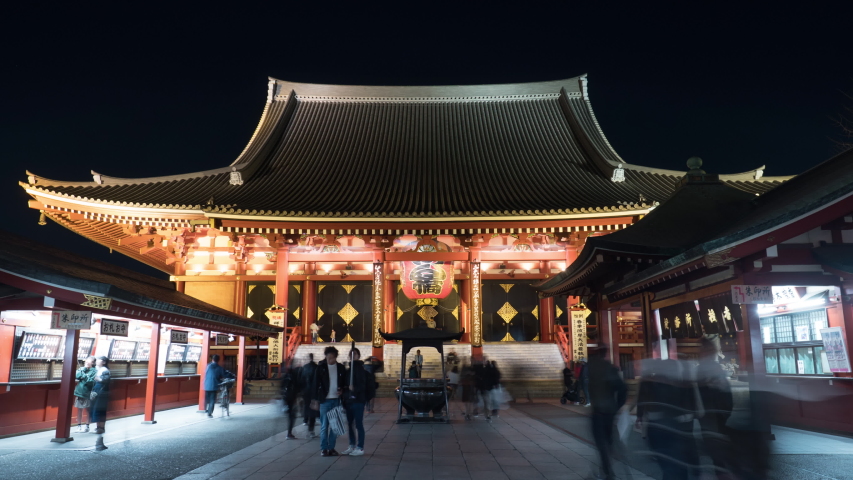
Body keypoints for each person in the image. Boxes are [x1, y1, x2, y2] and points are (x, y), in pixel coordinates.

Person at [587, 347, 627, 480]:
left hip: (599, 411)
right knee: (607, 442)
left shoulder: (593, 369)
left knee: (601, 443)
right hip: (608, 411)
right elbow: (622, 389)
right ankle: (606, 470)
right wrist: (616, 407)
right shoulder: (609, 369)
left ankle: (607, 471)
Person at [311, 346, 348, 457]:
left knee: (334, 425)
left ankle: (331, 447)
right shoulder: (321, 368)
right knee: (324, 426)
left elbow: (344, 383)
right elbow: (315, 384)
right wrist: (315, 400)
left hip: (336, 400)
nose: (329, 360)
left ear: (336, 357)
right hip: (324, 400)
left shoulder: (341, 368)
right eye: (328, 357)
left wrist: (342, 390)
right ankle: (324, 448)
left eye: (332, 358)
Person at [342, 347, 374, 456]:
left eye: (354, 353)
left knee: (358, 424)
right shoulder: (347, 371)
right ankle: (351, 445)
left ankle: (360, 447)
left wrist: (354, 388)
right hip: (348, 400)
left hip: (358, 400)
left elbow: (363, 386)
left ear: (358, 355)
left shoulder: (361, 370)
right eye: (351, 353)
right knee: (350, 424)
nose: (352, 355)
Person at [89, 356, 111, 451]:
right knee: (97, 410)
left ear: (104, 362)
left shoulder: (105, 370)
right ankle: (99, 428)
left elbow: (105, 380)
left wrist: (98, 378)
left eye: (99, 360)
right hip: (99, 392)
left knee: (99, 410)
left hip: (101, 393)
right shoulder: (98, 369)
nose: (97, 361)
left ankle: (100, 428)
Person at [74, 356, 96, 433]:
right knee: (79, 410)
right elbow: (76, 375)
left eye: (88, 361)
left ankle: (87, 425)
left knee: (88, 410)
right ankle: (79, 425)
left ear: (93, 363)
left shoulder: (94, 371)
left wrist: (83, 376)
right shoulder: (82, 369)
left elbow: (90, 381)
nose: (86, 362)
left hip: (88, 393)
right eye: (86, 361)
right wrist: (83, 369)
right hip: (79, 392)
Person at [300, 353, 319, 438]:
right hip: (313, 391)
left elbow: (301, 379)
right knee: (313, 409)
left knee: (306, 406)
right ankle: (311, 430)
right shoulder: (316, 367)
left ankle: (305, 420)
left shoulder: (305, 367)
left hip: (305, 391)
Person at [281, 363, 301, 439]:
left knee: (290, 415)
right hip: (292, 397)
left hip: (286, 398)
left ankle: (289, 432)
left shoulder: (285, 376)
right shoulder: (294, 377)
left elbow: (281, 387)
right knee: (292, 416)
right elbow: (298, 387)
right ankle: (289, 433)